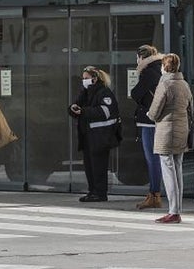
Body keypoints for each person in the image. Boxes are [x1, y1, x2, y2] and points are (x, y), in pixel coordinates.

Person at [147, 53, 192, 224]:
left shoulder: (164, 85)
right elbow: (190, 109)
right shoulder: (184, 85)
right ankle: (177, 210)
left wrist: (149, 114)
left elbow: (154, 112)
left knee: (168, 170)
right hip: (182, 129)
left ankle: (173, 211)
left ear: (164, 67)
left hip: (166, 131)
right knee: (178, 169)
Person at [69, 65, 121, 202]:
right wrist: (72, 109)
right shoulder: (85, 92)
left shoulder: (104, 92)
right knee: (89, 166)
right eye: (83, 78)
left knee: (99, 166)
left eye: (86, 78)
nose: (84, 81)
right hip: (88, 135)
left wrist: (84, 111)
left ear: (95, 78)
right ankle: (92, 191)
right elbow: (77, 106)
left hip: (100, 136)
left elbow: (105, 111)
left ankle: (100, 193)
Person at [130, 45, 164, 210]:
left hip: (149, 121)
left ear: (141, 57)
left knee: (153, 159)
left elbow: (136, 93)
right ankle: (154, 194)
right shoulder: (161, 69)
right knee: (158, 159)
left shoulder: (149, 72)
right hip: (158, 120)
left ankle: (154, 195)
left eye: (137, 58)